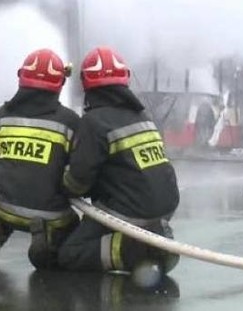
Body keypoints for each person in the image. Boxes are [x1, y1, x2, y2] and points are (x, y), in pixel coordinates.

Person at [58, 46, 180, 282]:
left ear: (87, 83)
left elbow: (78, 181)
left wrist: (62, 184)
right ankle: (151, 237)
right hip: (166, 208)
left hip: (128, 213)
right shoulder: (143, 119)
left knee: (71, 253)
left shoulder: (94, 122)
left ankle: (139, 251)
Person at [0, 48, 81, 269]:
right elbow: (76, 169)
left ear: (21, 78)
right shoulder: (70, 122)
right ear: (59, 84)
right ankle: (46, 243)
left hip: (2, 204)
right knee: (73, 227)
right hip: (48, 214)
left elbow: (1, 163)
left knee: (11, 186)